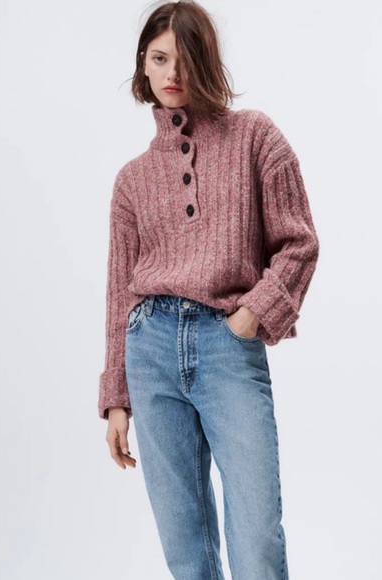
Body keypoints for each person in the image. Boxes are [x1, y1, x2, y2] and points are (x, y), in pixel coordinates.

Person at [98, 1, 319, 578]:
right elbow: (120, 292)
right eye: (158, 58)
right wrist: (116, 396)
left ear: (207, 61)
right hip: (149, 351)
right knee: (185, 544)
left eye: (184, 57)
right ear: (143, 65)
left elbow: (299, 242)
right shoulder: (130, 181)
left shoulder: (255, 137)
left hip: (227, 345)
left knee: (257, 534)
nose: (171, 72)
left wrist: (253, 313)